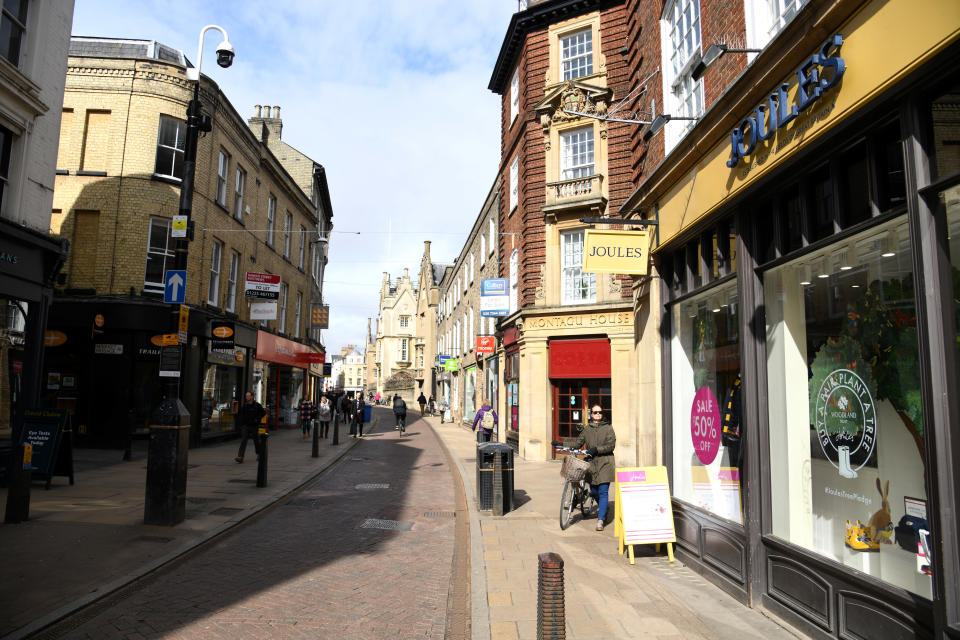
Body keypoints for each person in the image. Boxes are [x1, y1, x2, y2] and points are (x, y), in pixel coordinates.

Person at [555, 404, 616, 531]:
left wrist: (596, 449)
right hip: (591, 464)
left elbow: (611, 445)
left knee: (603, 491)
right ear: (591, 414)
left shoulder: (608, 428)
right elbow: (578, 443)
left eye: (600, 412)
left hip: (605, 463)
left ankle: (601, 520)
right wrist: (561, 443)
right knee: (594, 491)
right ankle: (604, 508)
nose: (598, 414)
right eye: (595, 412)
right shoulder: (587, 429)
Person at [235, 391, 265, 463]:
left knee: (256, 441)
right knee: (243, 440)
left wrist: (257, 419)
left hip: (254, 426)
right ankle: (240, 456)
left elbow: (263, 413)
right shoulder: (245, 406)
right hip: (246, 426)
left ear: (252, 397)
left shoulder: (257, 405)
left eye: (248, 396)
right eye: (246, 396)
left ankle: (259, 454)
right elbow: (241, 415)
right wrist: (242, 423)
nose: (247, 397)